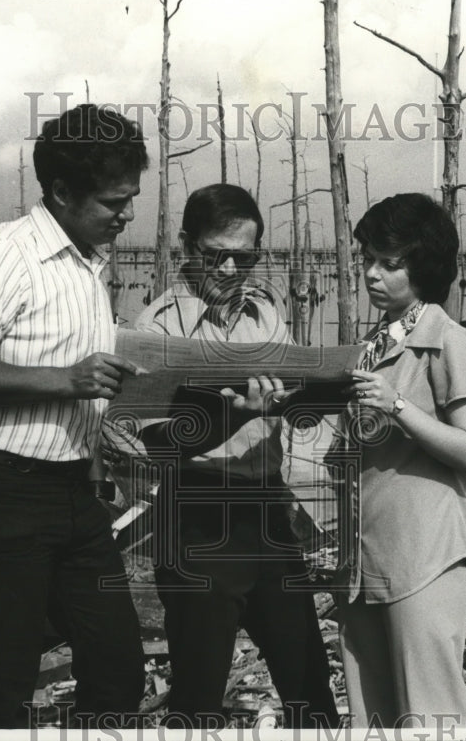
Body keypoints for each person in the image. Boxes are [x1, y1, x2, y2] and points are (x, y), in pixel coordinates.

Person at [0, 104, 149, 729]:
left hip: (72, 493)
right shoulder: (4, 256)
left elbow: (77, 382)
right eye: (112, 201)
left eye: (130, 197)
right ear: (62, 191)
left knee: (118, 669)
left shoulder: (87, 264)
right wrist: (66, 381)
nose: (125, 213)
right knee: (2, 687)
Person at [135, 184, 339, 729]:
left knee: (309, 685)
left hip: (269, 512)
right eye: (215, 253)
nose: (229, 267)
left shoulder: (265, 315)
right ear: (185, 245)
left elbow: (291, 409)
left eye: (244, 257)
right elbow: (158, 443)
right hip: (198, 518)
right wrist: (239, 416)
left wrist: (318, 396)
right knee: (199, 693)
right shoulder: (156, 328)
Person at [332, 193, 466, 729]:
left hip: (423, 558)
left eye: (389, 264)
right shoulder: (377, 343)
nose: (372, 274)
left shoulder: (450, 342)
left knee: (433, 717)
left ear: (421, 268)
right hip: (364, 559)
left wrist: (397, 405)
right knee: (371, 718)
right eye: (368, 259)